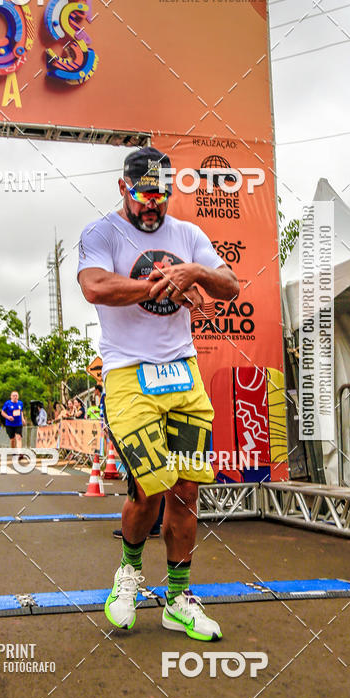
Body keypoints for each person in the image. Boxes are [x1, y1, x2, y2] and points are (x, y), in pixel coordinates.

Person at [78, 146, 239, 641]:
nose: (153, 205)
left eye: (162, 195)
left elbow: (229, 285)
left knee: (187, 490)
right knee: (148, 488)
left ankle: (178, 599)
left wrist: (194, 273)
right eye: (145, 194)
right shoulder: (101, 233)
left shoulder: (187, 235)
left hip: (183, 375)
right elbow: (96, 287)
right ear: (124, 189)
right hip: (128, 375)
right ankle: (127, 574)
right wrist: (153, 286)